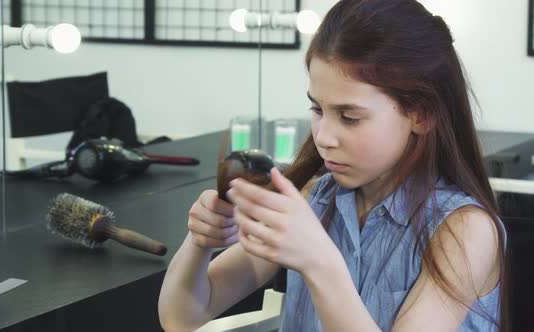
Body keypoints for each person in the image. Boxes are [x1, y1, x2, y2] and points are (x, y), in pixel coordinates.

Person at [158, 0, 508, 331]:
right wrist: (200, 242)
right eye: (317, 110)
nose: (324, 136)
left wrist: (318, 261)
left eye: (350, 117)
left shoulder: (465, 233)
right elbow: (182, 317)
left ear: (421, 114)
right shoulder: (315, 199)